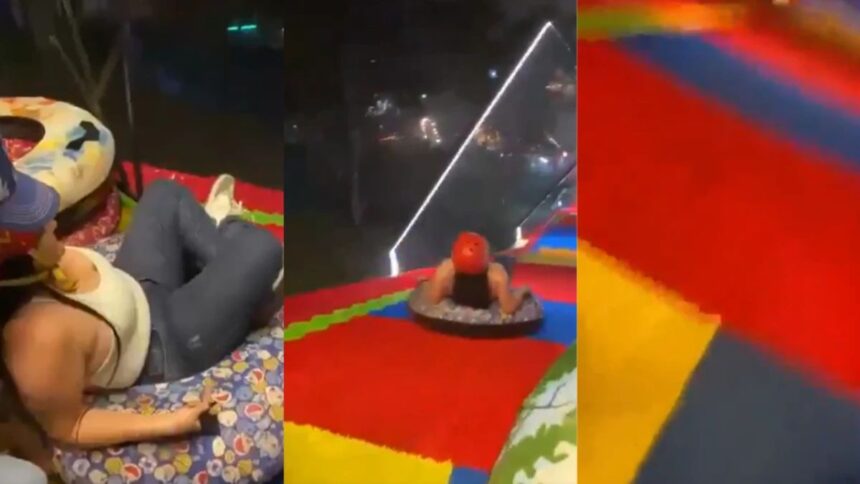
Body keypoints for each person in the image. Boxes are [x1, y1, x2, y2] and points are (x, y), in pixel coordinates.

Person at [0, 138, 283, 449]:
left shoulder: (36, 266)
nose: (53, 221)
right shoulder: (36, 341)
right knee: (263, 249)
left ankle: (232, 267)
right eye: (38, 225)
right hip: (165, 345)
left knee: (165, 193)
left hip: (135, 291)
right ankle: (232, 253)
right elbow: (70, 426)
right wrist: (169, 423)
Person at [427, 231, 528, 314]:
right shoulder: (497, 275)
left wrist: (432, 282)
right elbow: (508, 308)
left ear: (454, 255)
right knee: (508, 259)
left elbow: (433, 299)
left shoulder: (445, 271)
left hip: (453, 292)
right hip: (488, 297)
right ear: (488, 258)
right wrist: (522, 292)